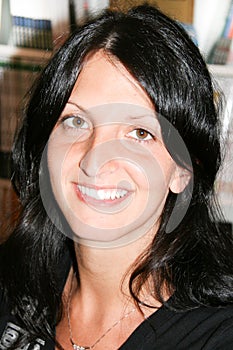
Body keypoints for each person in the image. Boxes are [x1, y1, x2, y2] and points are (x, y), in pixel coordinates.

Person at [1, 4, 233, 350]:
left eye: (139, 133)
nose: (95, 161)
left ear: (183, 171)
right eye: (75, 121)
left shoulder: (215, 336)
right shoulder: (11, 283)